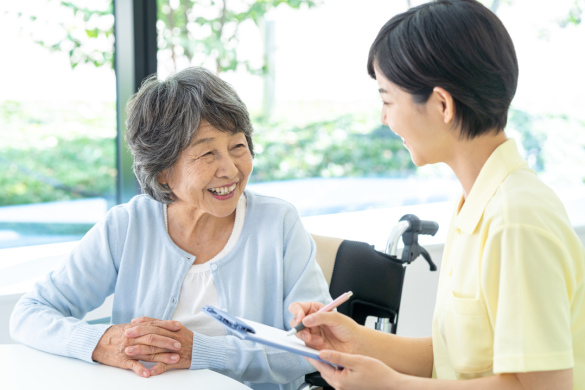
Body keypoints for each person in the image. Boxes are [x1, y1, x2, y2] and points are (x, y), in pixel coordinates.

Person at [289, 0, 585, 389]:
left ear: (442, 104)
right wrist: (355, 339)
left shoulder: (516, 220)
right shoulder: (476, 203)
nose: (384, 118)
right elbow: (455, 361)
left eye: (387, 99)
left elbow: (544, 387)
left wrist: (391, 386)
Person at [10, 66, 331, 390]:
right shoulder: (127, 226)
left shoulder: (278, 224)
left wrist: (201, 352)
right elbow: (29, 314)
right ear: (163, 170)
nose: (230, 169)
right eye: (207, 153)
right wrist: (102, 341)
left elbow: (313, 350)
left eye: (238, 146)